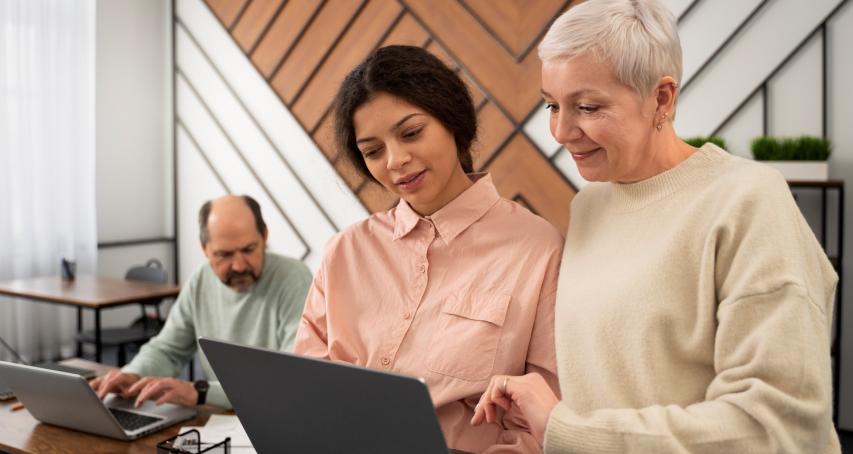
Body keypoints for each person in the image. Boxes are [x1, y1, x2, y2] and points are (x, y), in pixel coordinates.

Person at [472, 1, 840, 452]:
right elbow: (618, 386)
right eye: (552, 105)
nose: (561, 131)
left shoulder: (748, 202)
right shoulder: (590, 206)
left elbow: (778, 425)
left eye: (587, 106)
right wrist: (541, 416)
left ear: (661, 97)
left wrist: (565, 430)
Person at [292, 45, 562, 453]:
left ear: (452, 119)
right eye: (373, 151)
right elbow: (306, 390)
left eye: (411, 133)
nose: (396, 160)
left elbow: (541, 422)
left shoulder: (536, 247)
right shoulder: (345, 251)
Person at [90, 195, 312, 409]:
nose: (239, 265)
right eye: (224, 254)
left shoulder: (294, 279)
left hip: (276, 412)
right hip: (222, 415)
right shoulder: (201, 279)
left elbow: (289, 378)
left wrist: (201, 392)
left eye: (248, 249)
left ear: (264, 237)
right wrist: (133, 374)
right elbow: (168, 349)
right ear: (204, 249)